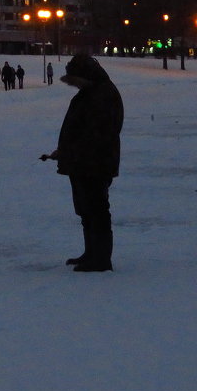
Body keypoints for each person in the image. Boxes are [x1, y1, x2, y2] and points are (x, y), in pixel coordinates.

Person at [41, 53, 124, 272]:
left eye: (76, 80)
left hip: (95, 163)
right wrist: (66, 151)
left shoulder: (102, 95)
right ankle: (92, 253)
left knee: (96, 209)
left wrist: (69, 151)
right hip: (83, 162)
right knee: (87, 209)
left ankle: (100, 258)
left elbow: (97, 134)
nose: (74, 85)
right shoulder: (91, 92)